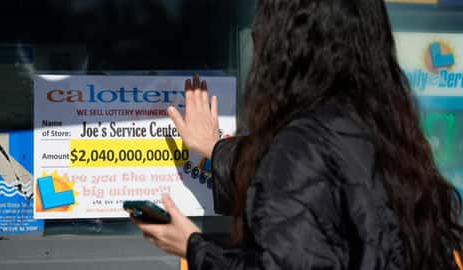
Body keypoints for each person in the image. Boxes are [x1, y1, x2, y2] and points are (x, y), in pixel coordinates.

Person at [133, 0, 463, 269]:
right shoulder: (388, 134)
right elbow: (322, 188)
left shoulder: (302, 145)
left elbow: (299, 204)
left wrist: (192, 247)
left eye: (262, 30)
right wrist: (216, 149)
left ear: (288, 45)